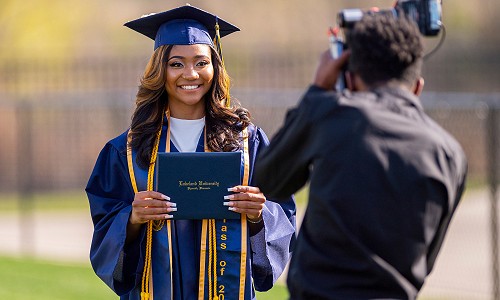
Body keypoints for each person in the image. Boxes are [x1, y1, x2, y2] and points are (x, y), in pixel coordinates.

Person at [85, 5, 296, 300]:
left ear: (215, 67)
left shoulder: (248, 142)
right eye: (176, 64)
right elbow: (105, 226)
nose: (190, 74)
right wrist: (132, 218)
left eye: (201, 62)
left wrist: (260, 213)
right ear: (160, 70)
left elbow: (283, 211)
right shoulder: (126, 151)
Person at [253, 12, 467, 300]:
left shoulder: (331, 116)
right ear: (418, 88)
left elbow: (268, 180)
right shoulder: (450, 154)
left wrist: (318, 91)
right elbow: (426, 260)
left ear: (349, 80)